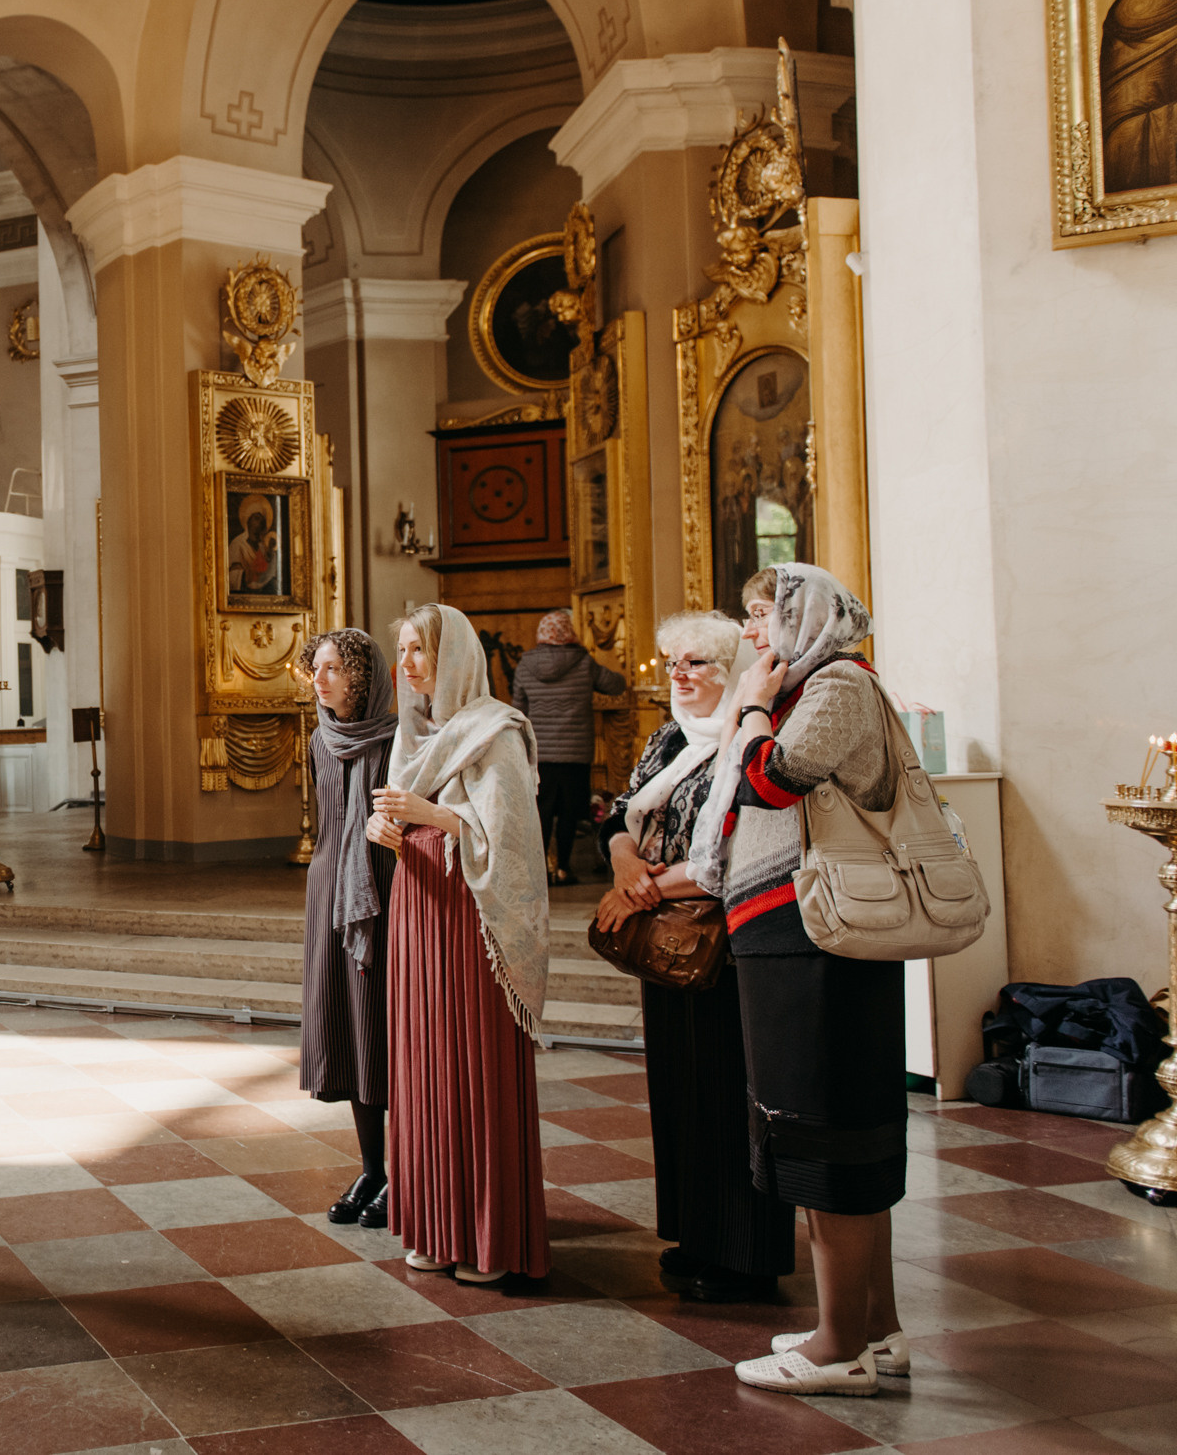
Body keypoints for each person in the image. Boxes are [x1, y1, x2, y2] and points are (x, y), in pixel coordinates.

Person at [689, 564, 904, 1397]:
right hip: (785, 935)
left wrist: (746, 706)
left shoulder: (840, 686)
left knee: (828, 1133)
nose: (750, 632)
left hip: (817, 938)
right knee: (817, 1128)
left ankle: (836, 1345)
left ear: (801, 617)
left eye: (759, 613)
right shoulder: (809, 689)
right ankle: (873, 1329)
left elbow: (768, 777)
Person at [593, 613, 794, 1305]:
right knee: (680, 1093)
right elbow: (623, 816)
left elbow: (734, 852)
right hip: (667, 935)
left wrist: (643, 890)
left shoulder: (753, 739)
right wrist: (626, 865)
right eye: (674, 661)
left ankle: (743, 1255)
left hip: (730, 944)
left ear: (734, 669)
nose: (680, 674)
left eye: (699, 663)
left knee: (726, 1096)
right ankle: (696, 1234)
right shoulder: (669, 739)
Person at [372, 603, 552, 1287]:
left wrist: (428, 816)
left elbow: (510, 844)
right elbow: (403, 815)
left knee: (467, 1068)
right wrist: (384, 830)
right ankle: (433, 1226)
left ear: (454, 658)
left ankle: (484, 1236)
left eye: (420, 650)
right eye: (406, 650)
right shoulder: (415, 734)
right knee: (423, 1072)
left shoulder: (493, 731)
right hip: (420, 915)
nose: (408, 665)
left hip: (470, 927)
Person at [296, 628, 397, 1230]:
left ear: (361, 677)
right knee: (350, 1030)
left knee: (385, 1032)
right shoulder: (319, 737)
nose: (320, 677)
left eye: (333, 668)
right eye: (317, 667)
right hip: (328, 895)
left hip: (383, 894)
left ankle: (403, 1172)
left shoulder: (400, 739)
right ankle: (371, 1168)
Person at [511, 609, 627, 884]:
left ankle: (538, 871)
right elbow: (616, 686)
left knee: (539, 812)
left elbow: (518, 709)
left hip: (539, 754)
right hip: (575, 753)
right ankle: (563, 868)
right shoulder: (584, 661)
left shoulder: (526, 664)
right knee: (568, 814)